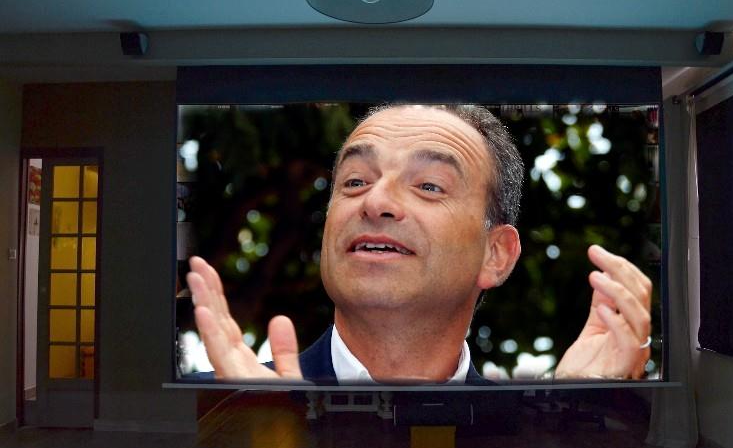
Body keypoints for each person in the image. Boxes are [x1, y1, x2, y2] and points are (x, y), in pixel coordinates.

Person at [186, 104, 651, 384]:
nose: (376, 202)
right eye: (355, 181)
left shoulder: (541, 436)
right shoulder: (213, 414)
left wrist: (575, 425)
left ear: (495, 255)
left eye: (429, 186)